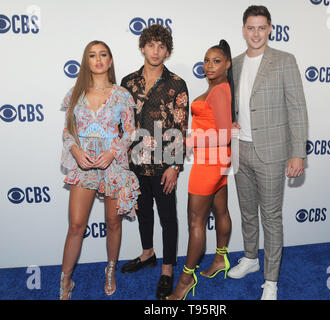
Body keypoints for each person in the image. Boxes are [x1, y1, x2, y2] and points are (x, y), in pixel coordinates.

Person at [227, 5, 308, 300]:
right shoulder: (233, 64)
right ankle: (250, 258)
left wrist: (298, 152)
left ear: (270, 29)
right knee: (247, 212)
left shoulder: (284, 61)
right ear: (243, 30)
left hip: (273, 152)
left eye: (262, 27)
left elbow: (298, 109)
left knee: (270, 217)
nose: (256, 33)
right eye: (251, 27)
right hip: (241, 150)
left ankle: (270, 280)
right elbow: (230, 105)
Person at [59, 40, 140, 300]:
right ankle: (66, 280)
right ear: (87, 61)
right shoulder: (75, 94)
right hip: (84, 166)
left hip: (112, 165)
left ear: (110, 60)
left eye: (103, 54)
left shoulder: (121, 95)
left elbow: (130, 132)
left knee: (113, 223)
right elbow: (67, 132)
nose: (98, 59)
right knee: (75, 226)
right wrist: (76, 152)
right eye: (92, 55)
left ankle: (110, 270)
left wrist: (112, 152)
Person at [120, 24, 189, 300]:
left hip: (163, 164)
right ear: (142, 47)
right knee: (143, 211)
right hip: (135, 161)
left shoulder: (176, 84)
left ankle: (168, 269)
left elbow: (181, 127)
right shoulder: (128, 83)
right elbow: (121, 126)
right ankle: (147, 253)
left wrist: (174, 166)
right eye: (151, 45)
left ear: (168, 51)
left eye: (162, 46)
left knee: (168, 217)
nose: (156, 51)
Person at [167, 39, 234, 300]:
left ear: (227, 64)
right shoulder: (219, 88)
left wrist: (189, 141)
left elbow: (226, 134)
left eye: (216, 61)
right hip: (218, 161)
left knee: (196, 222)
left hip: (208, 163)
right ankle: (220, 259)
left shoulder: (219, 91)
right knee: (221, 210)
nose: (209, 65)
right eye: (206, 60)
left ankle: (185, 280)